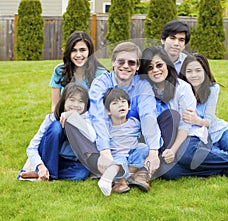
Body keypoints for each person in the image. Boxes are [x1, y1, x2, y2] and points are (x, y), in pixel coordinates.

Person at [138, 46, 228, 180]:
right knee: (168, 172)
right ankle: (223, 169)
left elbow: (185, 125)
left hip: (191, 134)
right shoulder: (147, 91)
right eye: (150, 67)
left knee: (186, 155)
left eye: (159, 65)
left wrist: (173, 150)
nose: (155, 70)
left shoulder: (183, 88)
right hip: (167, 140)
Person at [66, 42, 162, 190]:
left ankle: (128, 174)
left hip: (132, 139)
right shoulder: (100, 84)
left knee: (147, 141)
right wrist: (105, 151)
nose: (126, 66)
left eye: (131, 62)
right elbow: (98, 118)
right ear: (113, 62)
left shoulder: (143, 85)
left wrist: (154, 152)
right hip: (105, 138)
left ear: (137, 66)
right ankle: (123, 174)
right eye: (121, 61)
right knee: (74, 124)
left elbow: (148, 116)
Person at [18, 83, 96, 181]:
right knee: (56, 126)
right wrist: (40, 166)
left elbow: (92, 138)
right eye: (72, 100)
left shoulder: (86, 118)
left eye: (80, 101)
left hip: (70, 161)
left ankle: (44, 174)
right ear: (64, 101)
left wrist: (74, 116)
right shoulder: (51, 118)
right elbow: (32, 147)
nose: (76, 105)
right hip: (50, 156)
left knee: (81, 174)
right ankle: (45, 171)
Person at [98, 88, 150, 196]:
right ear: (108, 110)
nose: (120, 105)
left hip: (132, 157)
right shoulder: (106, 126)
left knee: (143, 147)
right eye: (115, 103)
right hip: (116, 157)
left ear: (129, 106)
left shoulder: (135, 123)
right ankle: (109, 180)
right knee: (119, 161)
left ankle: (127, 177)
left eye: (123, 102)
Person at [49, 31, 107, 112]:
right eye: (74, 50)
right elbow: (55, 106)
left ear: (89, 51)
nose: (78, 55)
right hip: (65, 118)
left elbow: (103, 108)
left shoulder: (101, 74)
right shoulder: (59, 71)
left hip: (91, 120)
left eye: (82, 50)